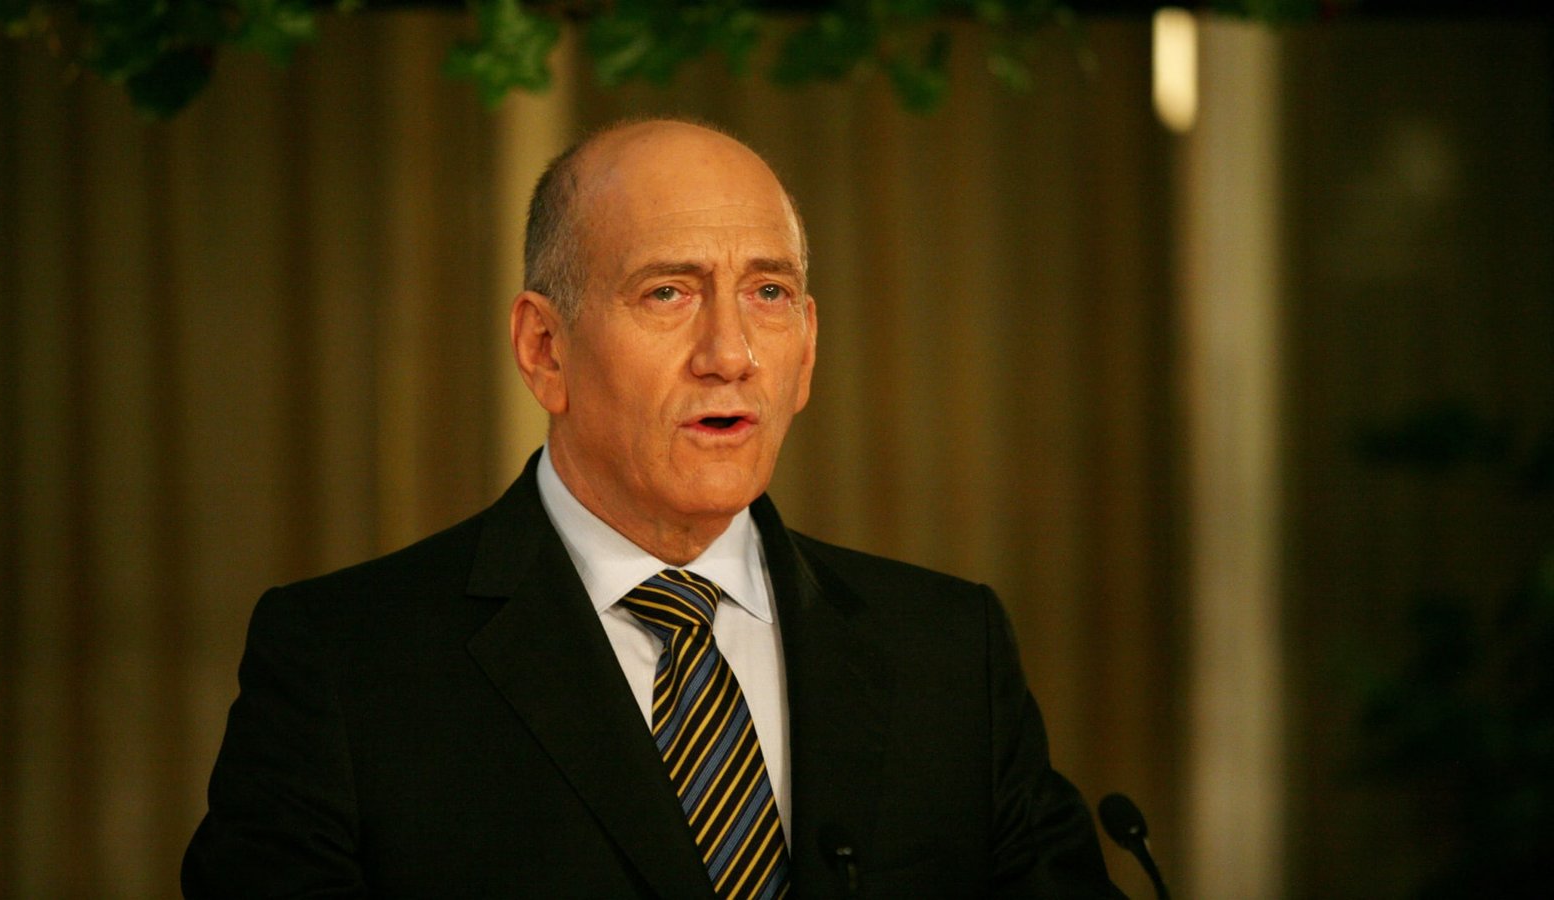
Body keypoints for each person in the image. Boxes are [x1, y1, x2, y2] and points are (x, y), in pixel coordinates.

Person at [182, 118, 1123, 898]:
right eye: (669, 292)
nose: (731, 353)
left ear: (806, 351)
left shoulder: (949, 652)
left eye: (768, 293)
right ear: (545, 349)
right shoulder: (347, 662)